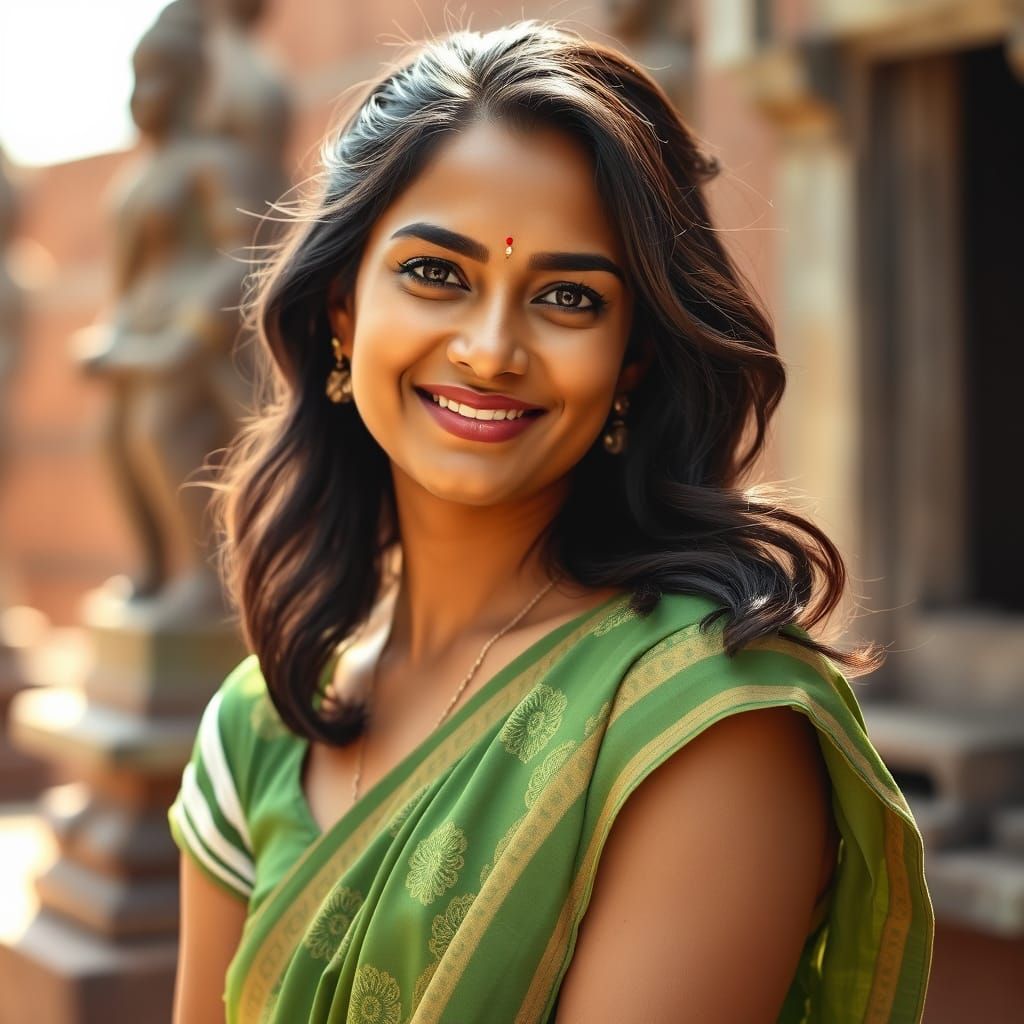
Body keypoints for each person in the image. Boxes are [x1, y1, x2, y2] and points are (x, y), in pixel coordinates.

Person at [169, 20, 933, 1023]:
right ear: (341, 311)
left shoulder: (703, 723)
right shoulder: (263, 721)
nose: (490, 350)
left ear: (633, 359)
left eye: (567, 296)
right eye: (435, 273)